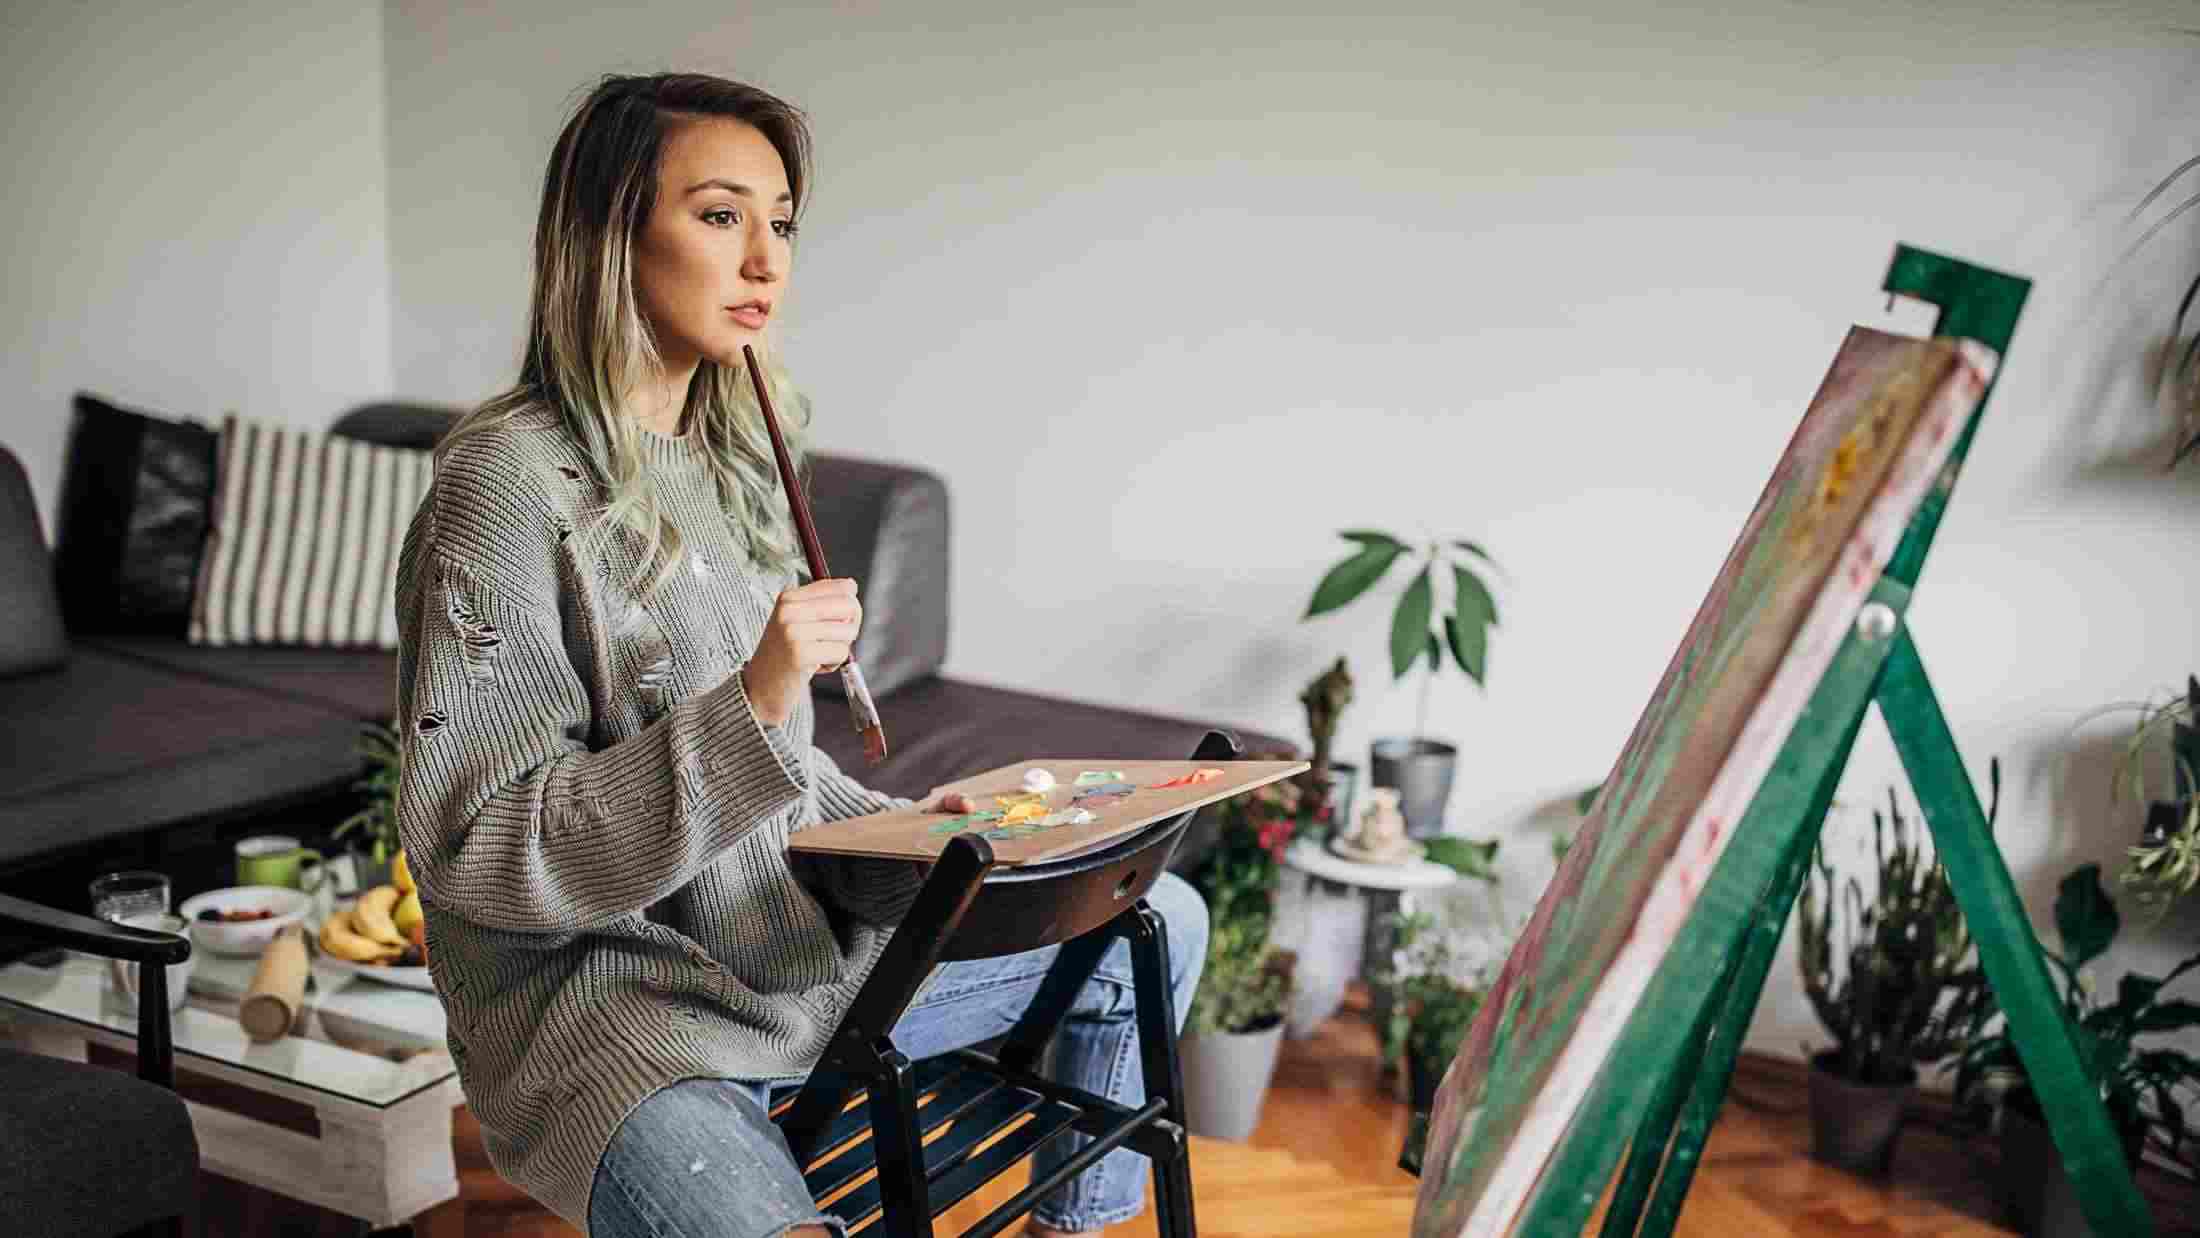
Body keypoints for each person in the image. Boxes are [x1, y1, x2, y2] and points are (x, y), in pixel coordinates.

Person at [391, 71, 1208, 1238]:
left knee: (1157, 913)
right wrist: (762, 689)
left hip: (786, 964)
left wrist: (918, 842)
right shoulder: (505, 481)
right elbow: (481, 852)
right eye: (720, 215)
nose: (766, 261)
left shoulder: (732, 472)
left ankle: (1062, 1220)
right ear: (608, 230)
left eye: (779, 223)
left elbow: (782, 788)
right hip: (619, 1012)